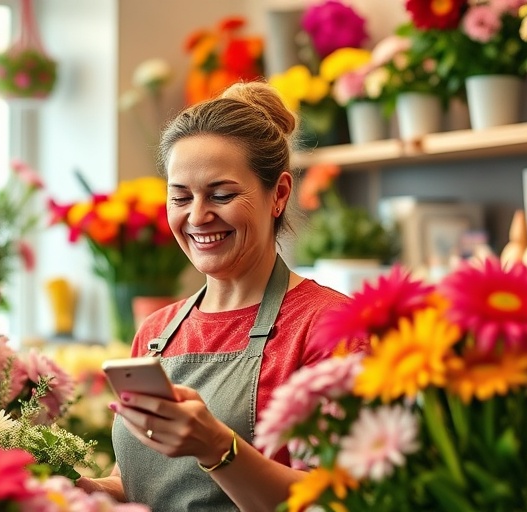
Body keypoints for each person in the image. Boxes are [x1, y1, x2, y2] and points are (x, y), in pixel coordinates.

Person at [76, 80, 355, 511]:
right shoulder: (156, 333)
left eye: (221, 195)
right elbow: (135, 483)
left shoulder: (329, 326)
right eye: (180, 197)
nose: (197, 216)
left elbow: (338, 499)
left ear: (279, 194)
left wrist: (217, 447)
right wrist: (80, 488)